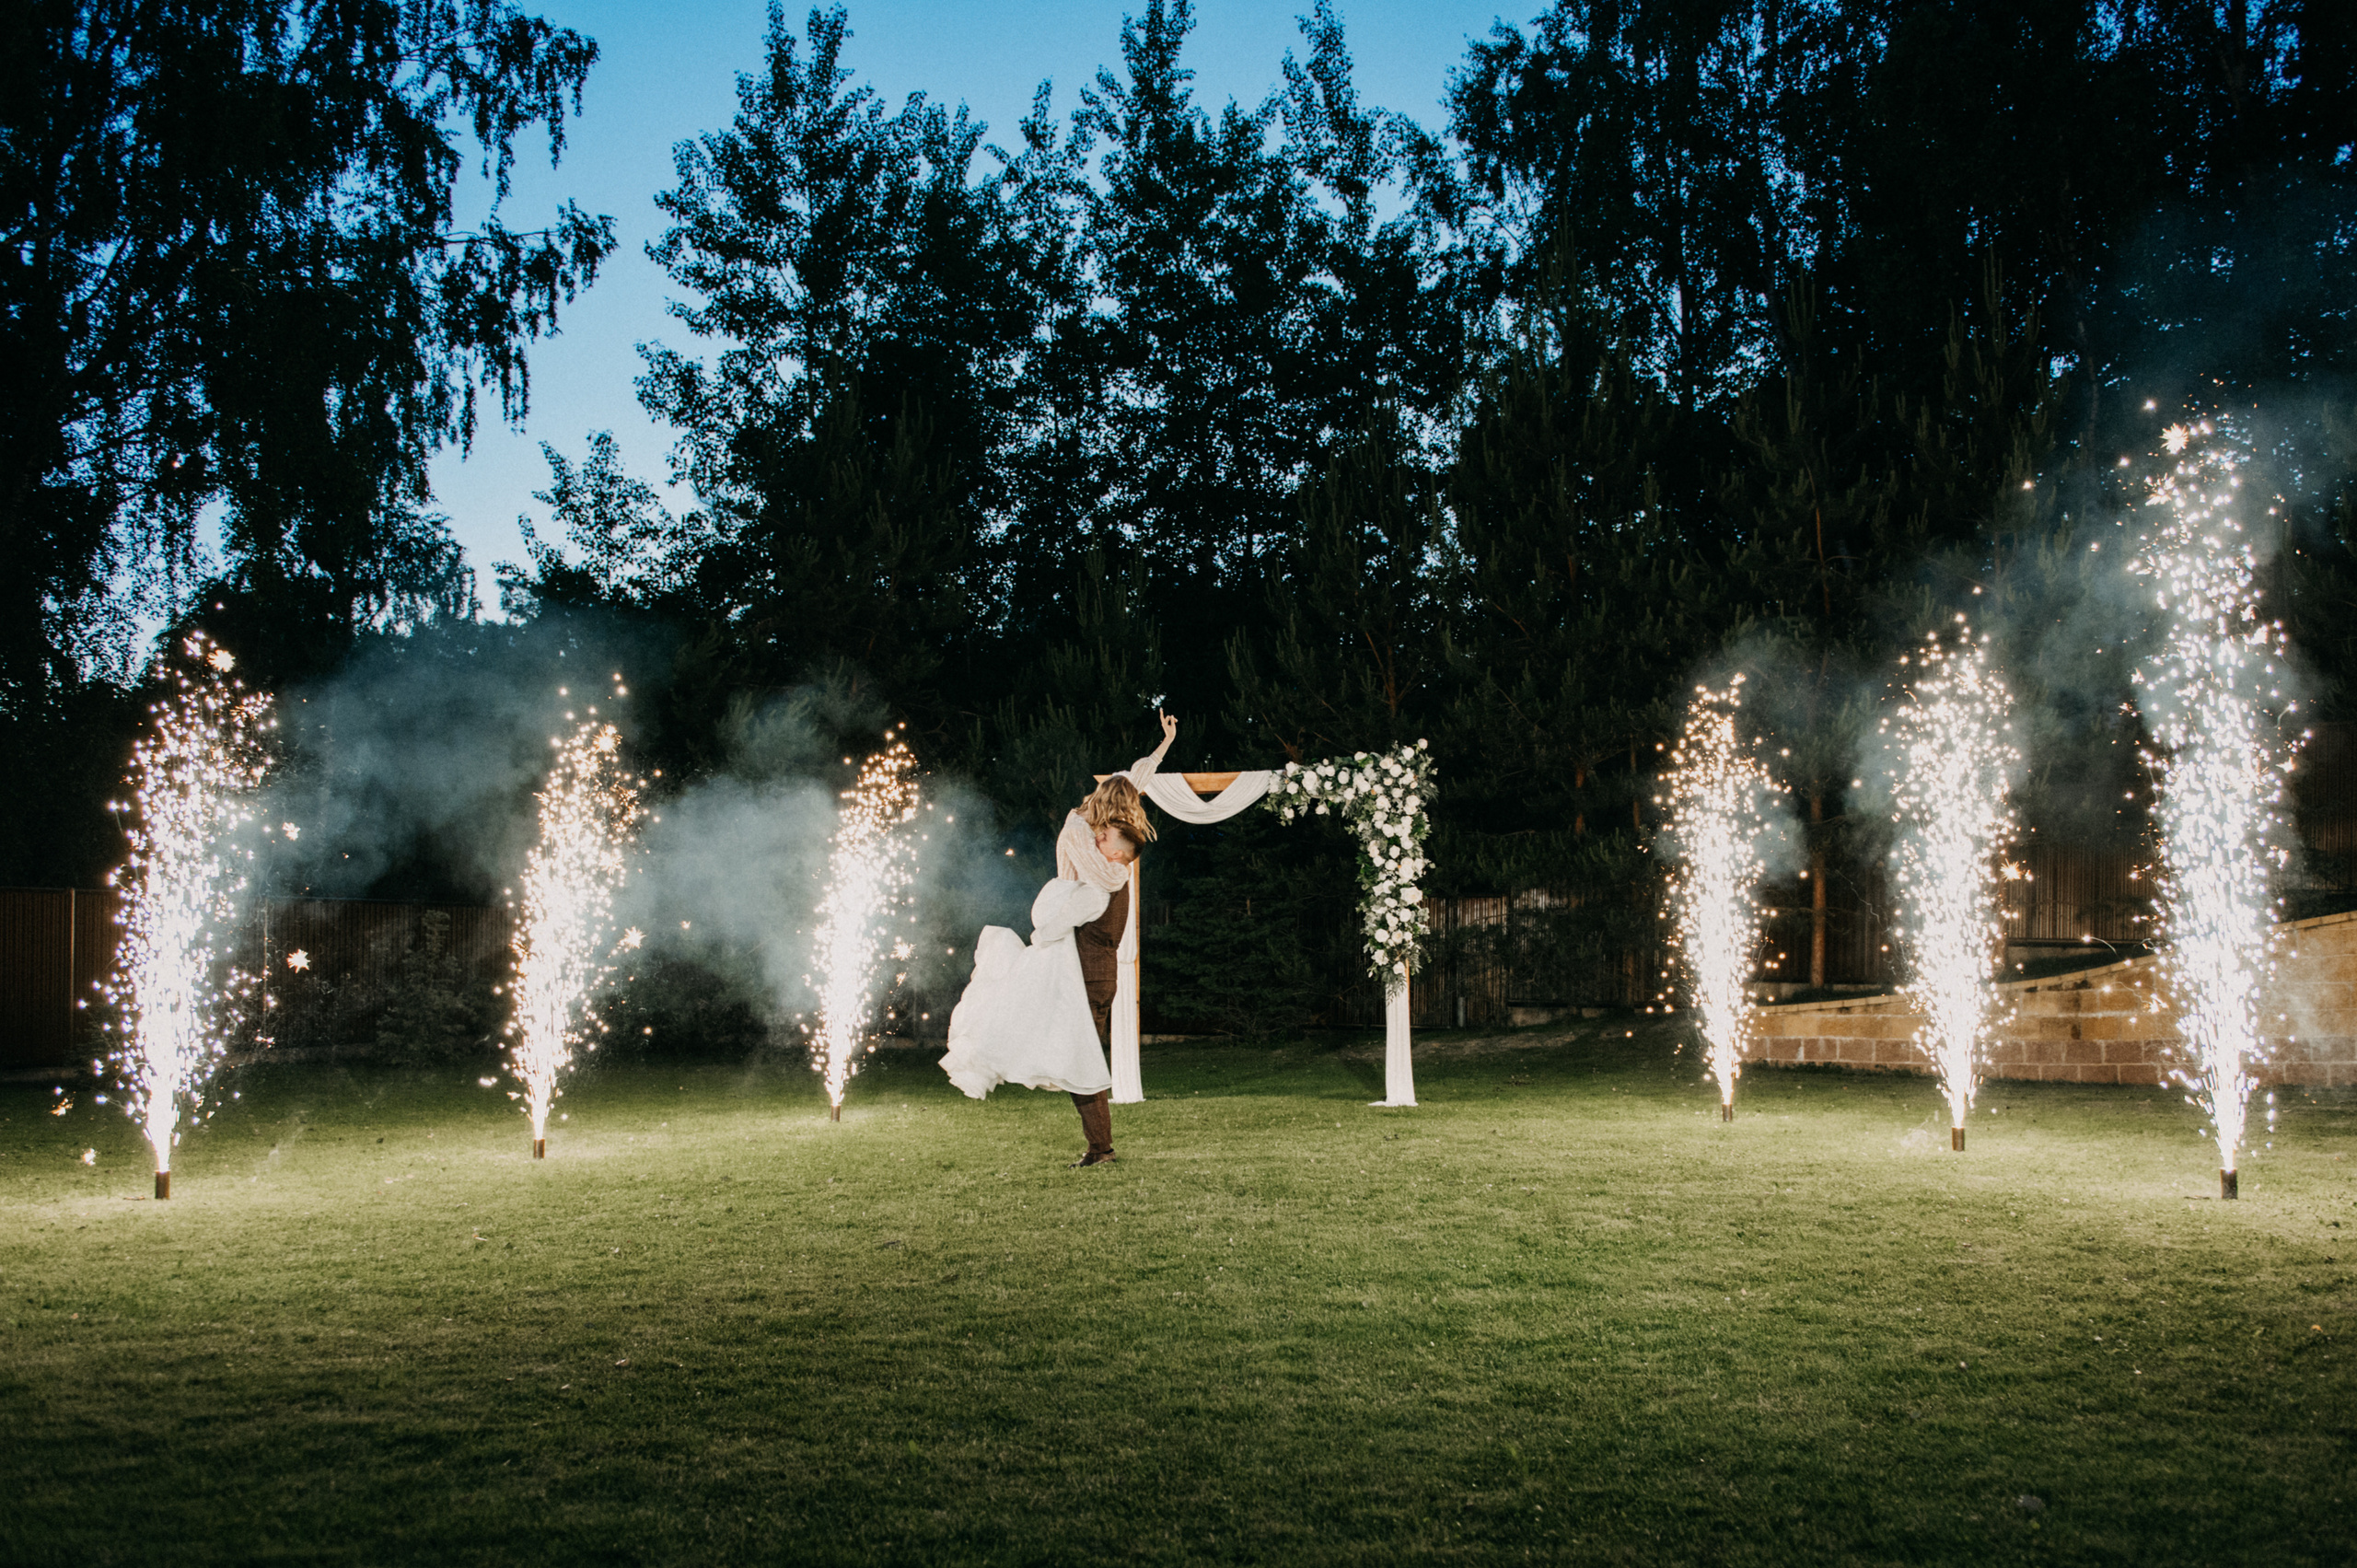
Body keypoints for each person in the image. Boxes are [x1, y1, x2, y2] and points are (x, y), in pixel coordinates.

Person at [938, 713, 1176, 1166]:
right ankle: (1098, 1145)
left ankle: (1100, 1147)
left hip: (1090, 970)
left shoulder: (1105, 859)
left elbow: (1135, 776)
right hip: (1079, 961)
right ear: (1104, 811)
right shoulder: (1084, 841)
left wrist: (1166, 742)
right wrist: (1114, 852)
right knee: (1069, 1054)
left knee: (1079, 1061)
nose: (1118, 832)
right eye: (1115, 825)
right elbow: (1104, 866)